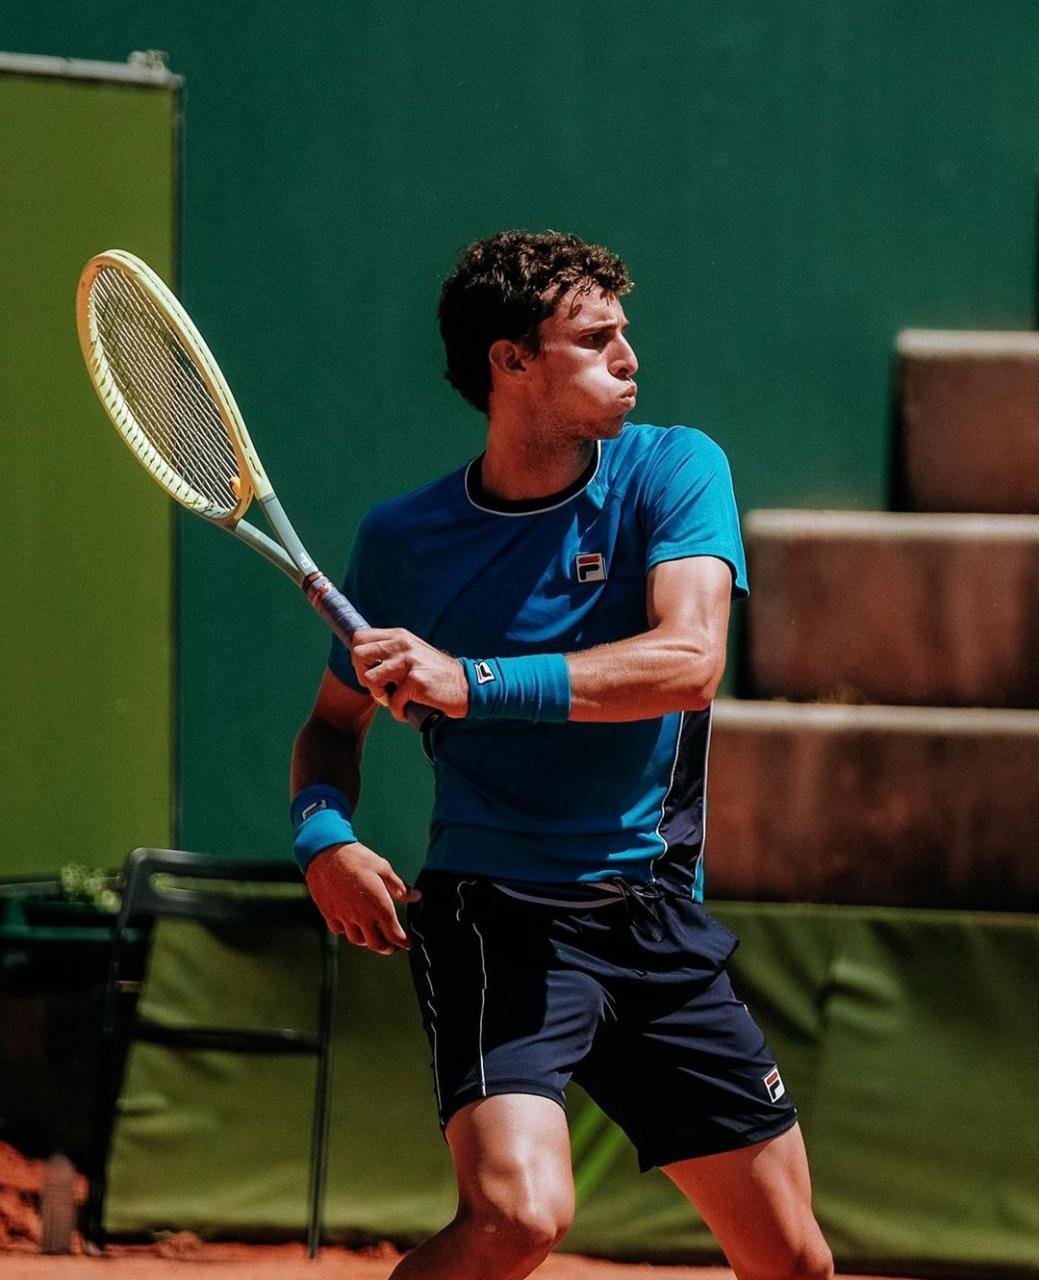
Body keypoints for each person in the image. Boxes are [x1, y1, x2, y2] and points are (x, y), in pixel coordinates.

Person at [290, 230, 833, 1280]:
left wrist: (471, 679)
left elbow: (689, 660)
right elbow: (332, 724)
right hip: (499, 920)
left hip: (652, 913)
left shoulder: (674, 467)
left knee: (793, 1261)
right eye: (594, 338)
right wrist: (323, 838)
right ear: (511, 362)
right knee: (516, 1216)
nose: (629, 356)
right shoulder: (403, 542)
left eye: (624, 331)